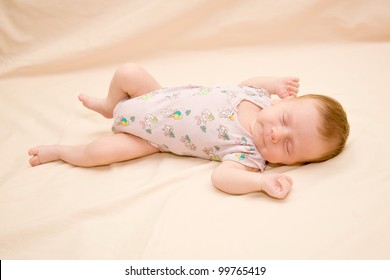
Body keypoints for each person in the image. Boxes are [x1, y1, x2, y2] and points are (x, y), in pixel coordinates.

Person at [28, 63, 349, 199]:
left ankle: (60, 152)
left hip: (149, 139)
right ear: (285, 101)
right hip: (152, 95)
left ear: (289, 164)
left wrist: (260, 182)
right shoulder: (258, 97)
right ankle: (112, 105)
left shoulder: (248, 154)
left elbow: (222, 179)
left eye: (289, 146)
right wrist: (274, 83)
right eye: (286, 119)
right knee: (128, 71)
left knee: (98, 152)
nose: (277, 133)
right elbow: (248, 83)